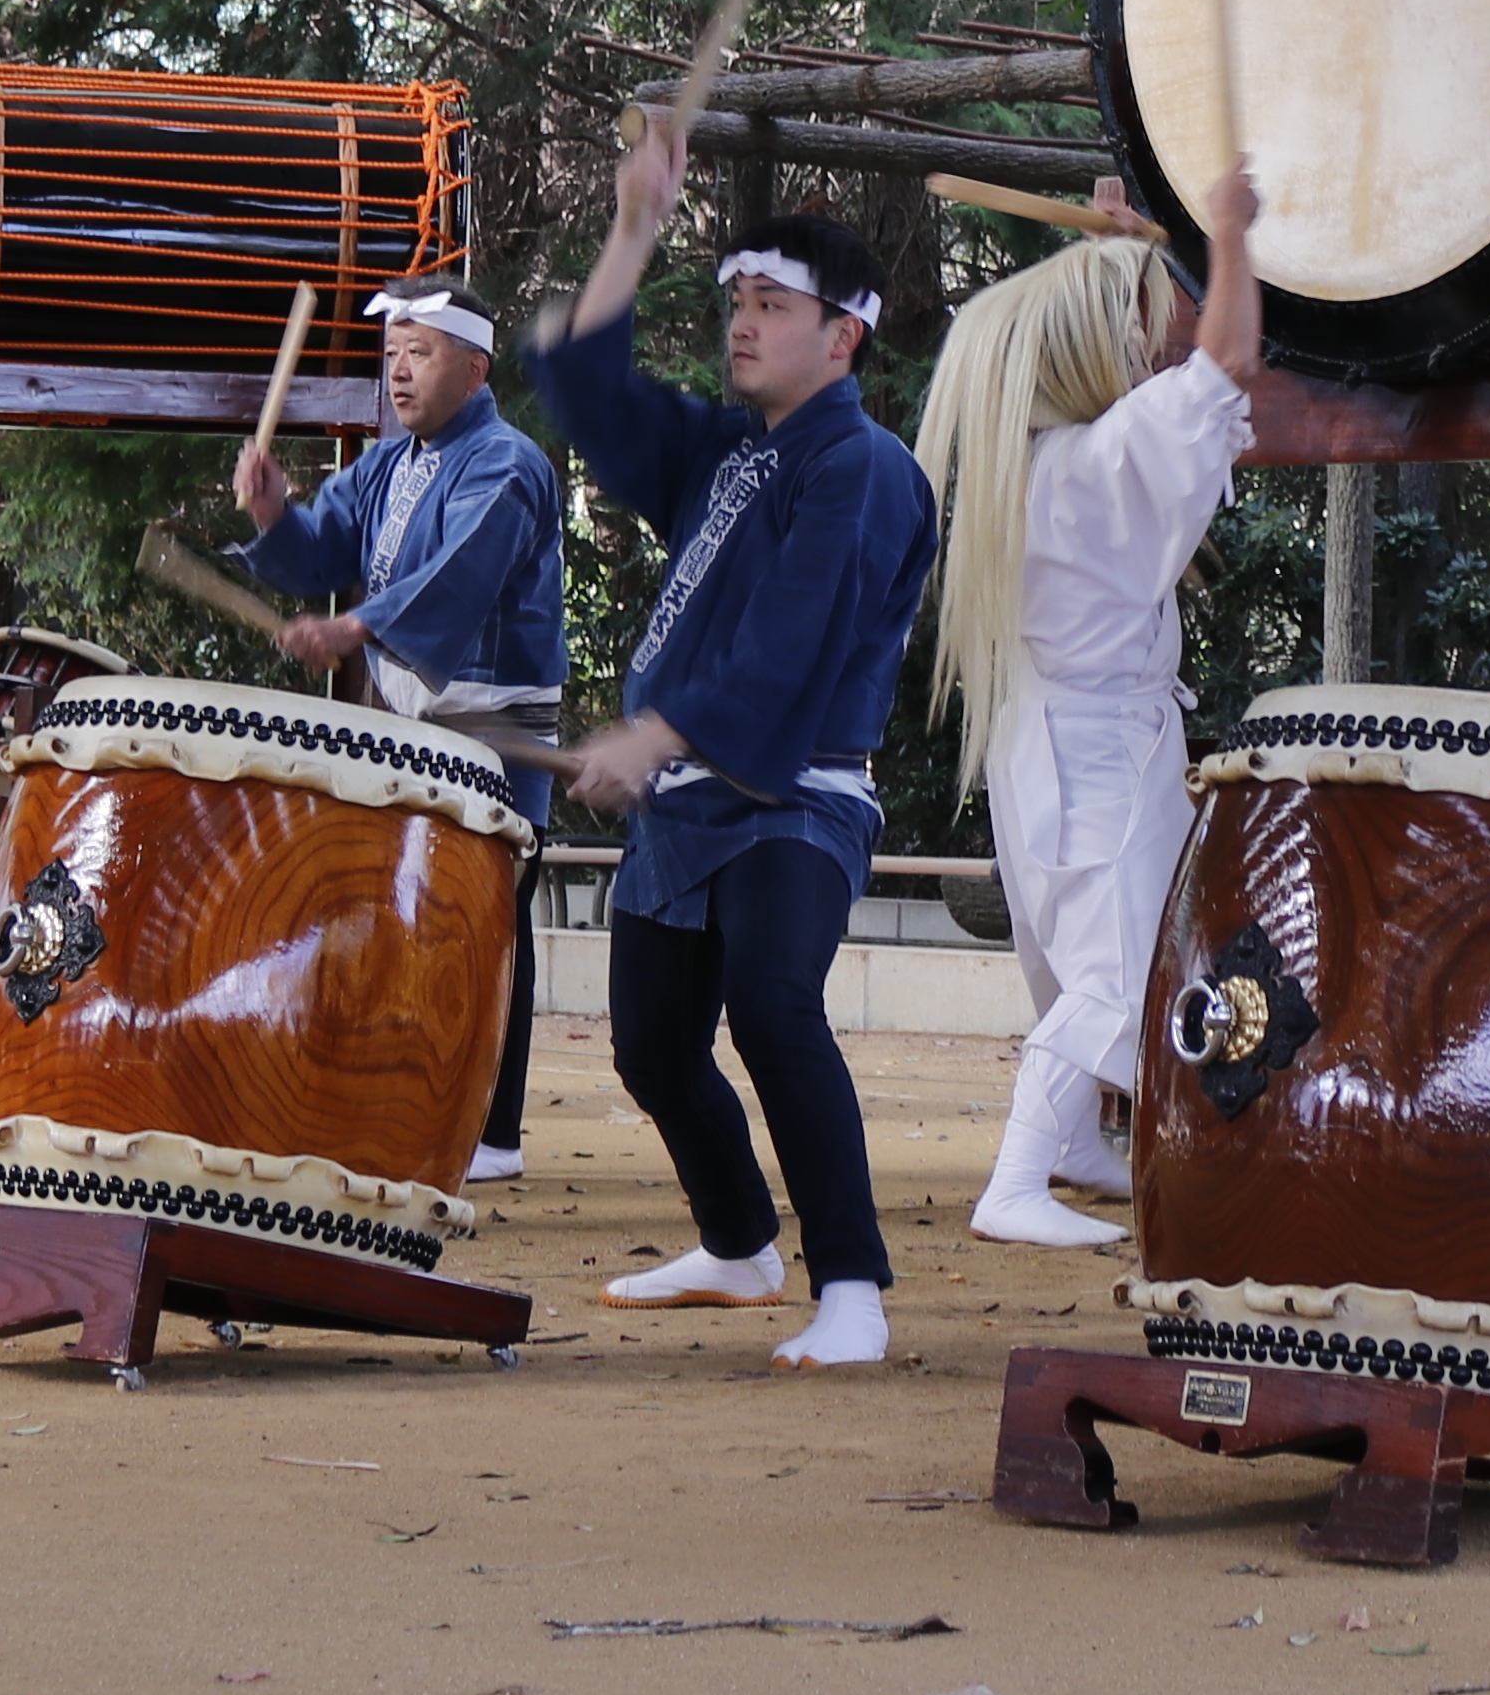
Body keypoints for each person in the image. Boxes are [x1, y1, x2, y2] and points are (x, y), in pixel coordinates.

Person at [528, 128, 936, 1370]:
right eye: (739, 301)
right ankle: (740, 1243)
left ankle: (852, 1283)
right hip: (695, 794)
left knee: (770, 1003)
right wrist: (634, 227)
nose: (744, 323)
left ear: (843, 336)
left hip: (795, 793)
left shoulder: (866, 468)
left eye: (774, 304)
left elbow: (791, 639)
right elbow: (591, 384)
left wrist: (654, 730)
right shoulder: (728, 452)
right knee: (653, 1043)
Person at [918, 164, 1260, 1248]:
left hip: (1052, 744)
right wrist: (1231, 236)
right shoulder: (1100, 464)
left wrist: (1129, 255)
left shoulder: (1038, 462)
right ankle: (1014, 1182)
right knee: (1116, 971)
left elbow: (1171, 367)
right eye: (1138, 324)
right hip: (1098, 749)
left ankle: (1069, 1147)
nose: (1162, 340)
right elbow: (1227, 363)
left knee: (1074, 961)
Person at [227, 273, 567, 1182]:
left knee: (487, 924)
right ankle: (414, 1102)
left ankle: (493, 1131)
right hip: (411, 727)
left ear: (475, 365)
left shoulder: (505, 462)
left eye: (418, 353)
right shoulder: (387, 464)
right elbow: (319, 549)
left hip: (495, 731)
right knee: (405, 910)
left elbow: (463, 571)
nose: (400, 375)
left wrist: (358, 626)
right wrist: (271, 511)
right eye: (391, 357)